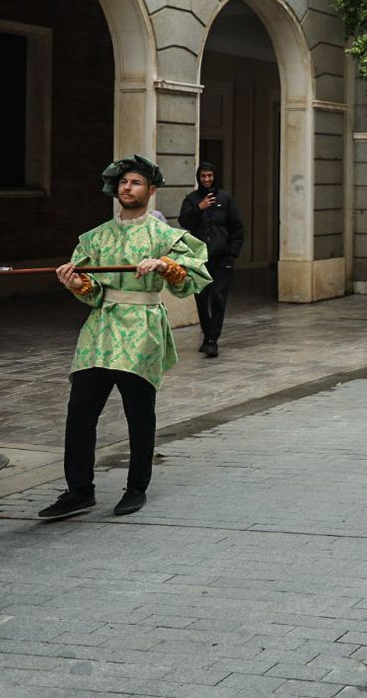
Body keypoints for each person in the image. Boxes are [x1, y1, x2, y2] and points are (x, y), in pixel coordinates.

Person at [39, 155, 210, 520]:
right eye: (122, 182)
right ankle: (79, 490)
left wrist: (165, 265)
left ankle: (136, 487)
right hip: (100, 329)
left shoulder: (164, 236)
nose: (127, 188)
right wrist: (77, 282)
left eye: (135, 182)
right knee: (80, 410)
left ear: (151, 190)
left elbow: (191, 277)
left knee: (139, 411)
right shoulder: (96, 237)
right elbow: (93, 290)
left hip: (142, 327)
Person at [177, 161, 243, 359]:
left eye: (210, 176)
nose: (207, 179)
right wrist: (199, 208)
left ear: (214, 177)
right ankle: (207, 335)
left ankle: (212, 340)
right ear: (199, 177)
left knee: (218, 297)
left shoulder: (225, 199)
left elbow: (237, 227)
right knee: (202, 299)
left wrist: (232, 253)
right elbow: (184, 222)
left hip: (222, 258)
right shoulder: (191, 199)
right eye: (203, 176)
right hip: (199, 259)